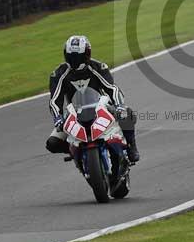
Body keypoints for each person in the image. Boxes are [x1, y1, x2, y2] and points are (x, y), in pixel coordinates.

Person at [46, 35, 140, 163]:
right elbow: (54, 100)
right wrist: (57, 118)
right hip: (74, 113)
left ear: (87, 54)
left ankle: (131, 146)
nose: (75, 61)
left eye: (78, 57)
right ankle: (75, 150)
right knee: (52, 143)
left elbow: (112, 88)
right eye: (71, 57)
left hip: (101, 107)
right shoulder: (58, 74)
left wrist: (119, 105)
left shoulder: (98, 67)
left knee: (127, 114)